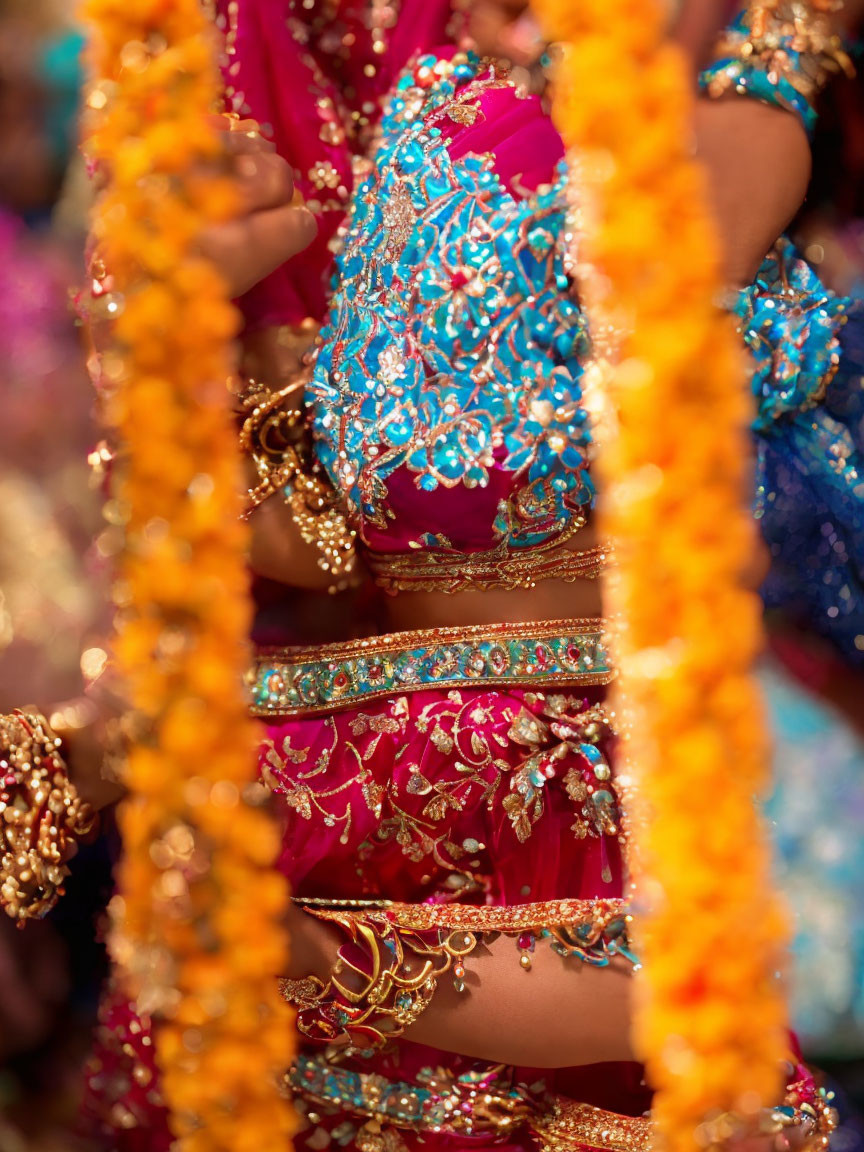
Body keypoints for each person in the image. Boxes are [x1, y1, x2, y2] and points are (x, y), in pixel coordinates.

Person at [2, 1, 862, 1149]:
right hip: (344, 725)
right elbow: (318, 524)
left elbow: (680, 990)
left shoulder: (674, 138)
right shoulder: (398, 110)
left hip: (558, 746)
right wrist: (156, 334)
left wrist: (324, 959)